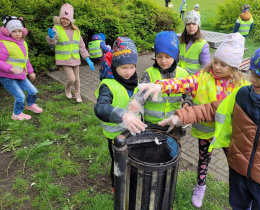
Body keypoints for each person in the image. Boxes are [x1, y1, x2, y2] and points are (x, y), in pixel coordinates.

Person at [159, 38, 260, 209]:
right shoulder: (243, 94)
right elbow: (212, 109)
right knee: (237, 205)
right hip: (238, 172)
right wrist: (178, 116)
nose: (253, 79)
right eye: (252, 72)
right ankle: (202, 187)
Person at [139, 33, 248, 208]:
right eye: (216, 61)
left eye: (223, 64)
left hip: (228, 133)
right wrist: (160, 85)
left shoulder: (241, 87)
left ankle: (239, 191)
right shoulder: (203, 77)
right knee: (203, 159)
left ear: (234, 67)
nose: (217, 67)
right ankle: (200, 186)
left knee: (235, 163)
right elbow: (182, 83)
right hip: (205, 130)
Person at [94, 36, 147, 191]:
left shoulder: (134, 80)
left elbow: (140, 95)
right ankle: (116, 186)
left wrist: (138, 100)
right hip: (115, 136)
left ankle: (131, 180)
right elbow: (100, 108)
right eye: (124, 67)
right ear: (115, 65)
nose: (128, 72)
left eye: (132, 67)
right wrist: (123, 115)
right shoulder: (108, 85)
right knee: (118, 161)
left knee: (132, 158)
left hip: (132, 131)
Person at [128, 31, 191, 133]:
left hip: (173, 120)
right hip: (152, 122)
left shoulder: (183, 74)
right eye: (159, 56)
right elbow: (141, 93)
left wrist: (188, 102)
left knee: (171, 146)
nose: (163, 61)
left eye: (168, 57)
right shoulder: (149, 73)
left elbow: (189, 92)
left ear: (175, 56)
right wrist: (136, 101)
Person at [46, 3, 95, 103]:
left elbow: (81, 46)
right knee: (71, 78)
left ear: (71, 20)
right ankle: (67, 89)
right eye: (63, 18)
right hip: (64, 59)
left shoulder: (76, 31)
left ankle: (77, 94)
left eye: (67, 19)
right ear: (60, 18)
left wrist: (87, 58)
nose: (65, 20)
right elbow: (52, 44)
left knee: (77, 79)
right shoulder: (56, 28)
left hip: (75, 58)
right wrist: (51, 38)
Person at [0, 15, 43, 120]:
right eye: (14, 31)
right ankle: (16, 114)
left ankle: (30, 104)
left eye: (19, 31)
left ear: (23, 31)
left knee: (33, 91)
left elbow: (25, 59)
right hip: (7, 76)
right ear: (8, 32)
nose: (18, 34)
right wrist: (11, 68)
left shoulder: (23, 43)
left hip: (20, 75)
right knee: (20, 96)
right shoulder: (4, 44)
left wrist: (30, 71)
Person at [178, 10, 210, 75]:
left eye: (194, 24)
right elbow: (176, 59)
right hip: (179, 77)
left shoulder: (202, 44)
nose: (191, 26)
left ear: (198, 26)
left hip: (193, 79)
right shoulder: (181, 41)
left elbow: (205, 65)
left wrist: (198, 79)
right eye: (188, 24)